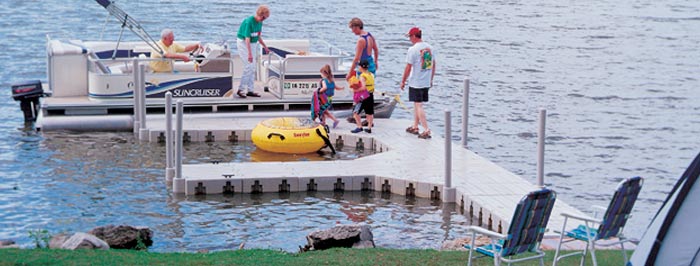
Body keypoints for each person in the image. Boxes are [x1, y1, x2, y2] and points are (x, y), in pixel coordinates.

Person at [400, 27, 436, 139]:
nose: (410, 39)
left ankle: (426, 129)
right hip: (426, 80)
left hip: (416, 81)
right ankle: (415, 126)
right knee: (417, 104)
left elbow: (408, 67)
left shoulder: (413, 49)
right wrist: (431, 79)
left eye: (410, 36)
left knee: (418, 105)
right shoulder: (430, 48)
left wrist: (403, 81)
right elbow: (433, 64)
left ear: (415, 36)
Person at [235, 5, 270, 98]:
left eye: (265, 19)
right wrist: (249, 54)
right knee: (248, 65)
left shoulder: (260, 23)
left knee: (253, 67)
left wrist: (265, 46)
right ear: (260, 14)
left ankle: (250, 90)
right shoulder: (249, 22)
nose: (263, 20)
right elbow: (247, 38)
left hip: (253, 43)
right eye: (263, 18)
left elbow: (258, 36)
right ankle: (240, 89)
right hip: (244, 43)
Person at [350, 59, 375, 134]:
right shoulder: (371, 74)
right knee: (369, 113)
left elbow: (364, 87)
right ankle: (369, 128)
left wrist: (356, 91)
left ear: (361, 67)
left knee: (355, 112)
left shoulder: (362, 76)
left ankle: (359, 127)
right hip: (370, 95)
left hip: (363, 96)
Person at [319, 64, 342, 128]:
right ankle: (323, 122)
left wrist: (319, 91)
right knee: (324, 111)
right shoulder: (331, 80)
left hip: (324, 98)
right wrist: (341, 88)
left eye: (321, 74)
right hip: (329, 98)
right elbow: (336, 87)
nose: (321, 75)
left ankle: (335, 120)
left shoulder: (324, 80)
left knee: (323, 111)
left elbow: (325, 88)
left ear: (324, 73)